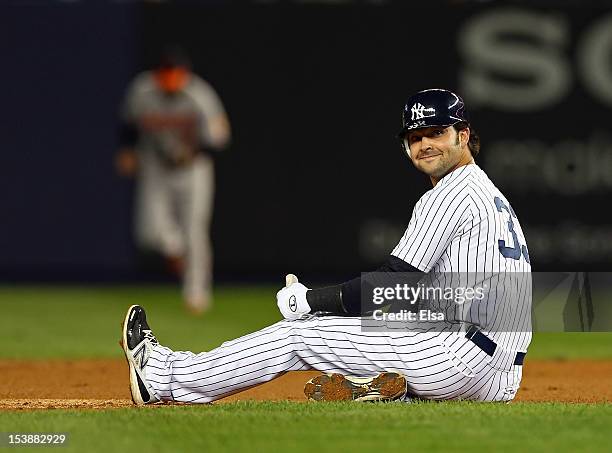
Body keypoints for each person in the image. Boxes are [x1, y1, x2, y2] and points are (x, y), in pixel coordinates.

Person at [120, 88, 532, 405]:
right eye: (415, 136)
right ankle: (398, 394)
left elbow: (392, 284)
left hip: (457, 361)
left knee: (298, 336)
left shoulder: (449, 193)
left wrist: (312, 301)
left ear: (463, 135)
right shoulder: (491, 195)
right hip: (500, 376)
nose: (424, 144)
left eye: (436, 133)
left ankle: (161, 378)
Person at [116, 47, 231, 314]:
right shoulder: (142, 91)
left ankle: (196, 293)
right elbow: (127, 124)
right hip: (156, 164)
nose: (169, 82)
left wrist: (193, 151)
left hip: (193, 167)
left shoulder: (199, 94)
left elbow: (220, 136)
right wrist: (127, 151)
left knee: (195, 230)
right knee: (149, 233)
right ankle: (174, 247)